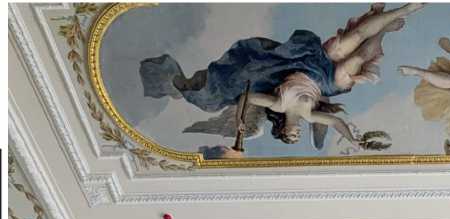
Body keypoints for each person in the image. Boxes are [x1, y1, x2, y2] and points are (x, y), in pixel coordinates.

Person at [140, 3, 424, 151]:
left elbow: (246, 96)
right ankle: (384, 28)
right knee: (353, 63)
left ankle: (403, 9)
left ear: (282, 130)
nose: (296, 135)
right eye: (296, 138)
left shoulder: (277, 105)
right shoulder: (311, 116)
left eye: (290, 137)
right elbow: (337, 121)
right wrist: (353, 139)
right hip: (325, 82)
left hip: (306, 63)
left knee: (348, 41)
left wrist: (239, 119)